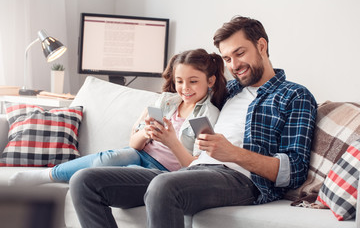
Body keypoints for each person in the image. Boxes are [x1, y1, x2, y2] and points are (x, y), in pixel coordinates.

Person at [69, 16, 318, 228]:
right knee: (84, 181)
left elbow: (294, 171)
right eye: (227, 58)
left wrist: (233, 153)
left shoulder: (294, 95)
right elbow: (187, 88)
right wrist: (154, 119)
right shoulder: (228, 91)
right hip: (195, 171)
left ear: (261, 46)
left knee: (164, 186)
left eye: (240, 53)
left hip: (244, 181)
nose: (234, 65)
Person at [8, 48, 227, 186]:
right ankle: (46, 176)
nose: (184, 88)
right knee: (115, 157)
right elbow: (134, 144)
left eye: (193, 81)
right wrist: (145, 133)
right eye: (180, 81)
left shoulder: (207, 116)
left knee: (127, 172)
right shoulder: (165, 101)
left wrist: (171, 142)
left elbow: (196, 167)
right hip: (140, 154)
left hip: (167, 172)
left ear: (210, 81)